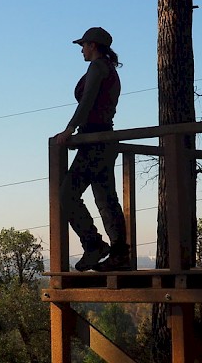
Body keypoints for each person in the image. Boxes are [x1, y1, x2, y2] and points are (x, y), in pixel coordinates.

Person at [54, 27, 132, 271]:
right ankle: (119, 255)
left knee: (66, 195)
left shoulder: (97, 67)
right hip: (103, 140)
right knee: (107, 199)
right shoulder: (109, 69)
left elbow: (87, 102)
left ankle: (94, 245)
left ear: (93, 46)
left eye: (84, 45)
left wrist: (69, 129)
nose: (81, 50)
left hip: (94, 141)